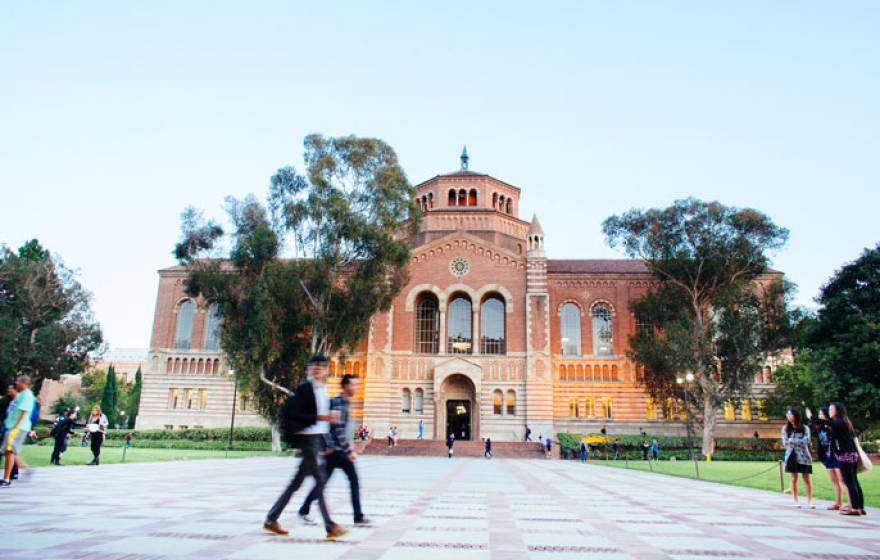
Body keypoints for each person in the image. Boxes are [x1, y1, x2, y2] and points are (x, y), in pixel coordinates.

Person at [264, 355, 347, 540]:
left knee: (296, 483)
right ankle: (330, 526)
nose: (318, 368)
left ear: (326, 370)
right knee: (320, 479)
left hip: (316, 440)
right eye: (314, 366)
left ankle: (271, 518)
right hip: (307, 440)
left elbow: (322, 423)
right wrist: (322, 418)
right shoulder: (304, 389)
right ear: (309, 369)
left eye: (322, 366)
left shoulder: (323, 389)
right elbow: (298, 415)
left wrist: (326, 443)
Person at [299, 374, 370, 527]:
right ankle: (357, 517)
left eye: (357, 385)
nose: (356, 387)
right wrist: (348, 450)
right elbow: (337, 429)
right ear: (345, 386)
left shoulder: (346, 403)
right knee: (351, 481)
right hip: (336, 451)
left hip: (337, 451)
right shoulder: (338, 403)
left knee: (326, 482)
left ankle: (304, 509)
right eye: (353, 385)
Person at [807, 403, 865, 516]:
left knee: (850, 482)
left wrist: (812, 417)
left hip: (846, 455)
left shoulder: (839, 421)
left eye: (831, 409)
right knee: (854, 482)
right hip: (850, 454)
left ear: (837, 410)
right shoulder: (843, 421)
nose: (829, 411)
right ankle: (860, 507)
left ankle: (855, 508)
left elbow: (827, 422)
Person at [1, 375, 36, 487]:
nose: (16, 383)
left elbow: (23, 412)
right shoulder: (22, 395)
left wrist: (14, 427)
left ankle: (6, 478)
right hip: (13, 426)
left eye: (18, 382)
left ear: (24, 382)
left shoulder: (27, 395)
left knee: (9, 451)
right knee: (9, 451)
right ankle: (25, 469)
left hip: (18, 427)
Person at [782, 407, 814, 508]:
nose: (789, 416)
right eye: (787, 414)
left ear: (795, 415)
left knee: (806, 478)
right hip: (791, 455)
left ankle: (810, 501)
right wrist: (797, 441)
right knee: (793, 478)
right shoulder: (785, 428)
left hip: (804, 456)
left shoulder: (805, 428)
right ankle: (795, 500)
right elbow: (785, 442)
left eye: (790, 414)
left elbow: (807, 440)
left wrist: (793, 441)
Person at [815, 406, 845, 511]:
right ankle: (838, 502)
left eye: (822, 414)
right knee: (834, 480)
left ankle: (851, 503)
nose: (820, 416)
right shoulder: (820, 428)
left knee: (842, 480)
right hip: (828, 457)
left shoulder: (833, 426)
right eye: (819, 415)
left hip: (836, 456)